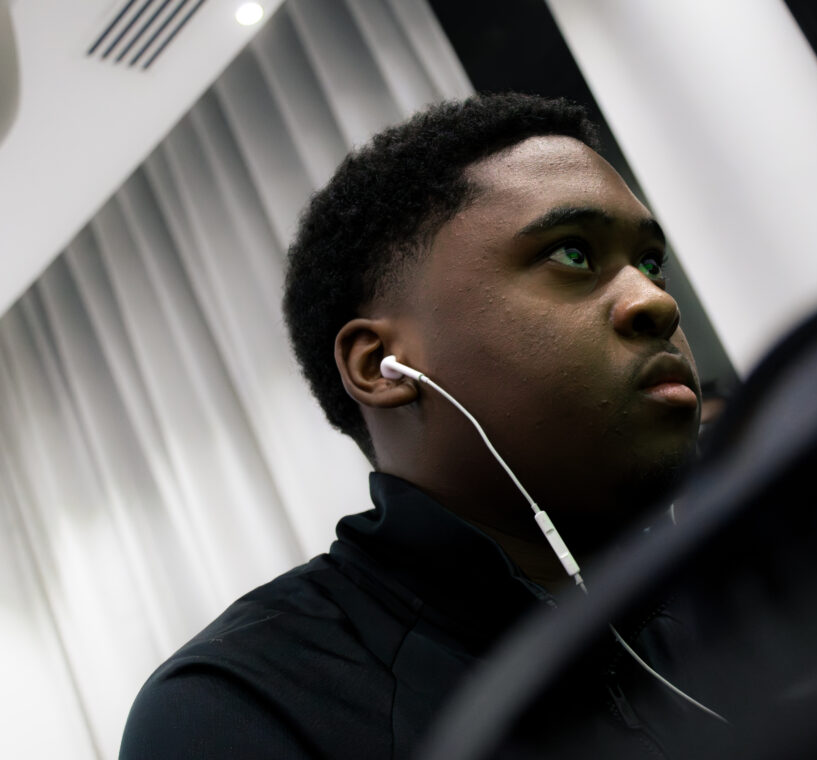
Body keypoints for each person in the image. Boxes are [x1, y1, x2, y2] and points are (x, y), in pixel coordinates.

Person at [119, 93, 703, 759]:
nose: (656, 301)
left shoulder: (742, 582)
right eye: (572, 254)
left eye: (650, 264)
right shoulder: (241, 707)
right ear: (381, 367)